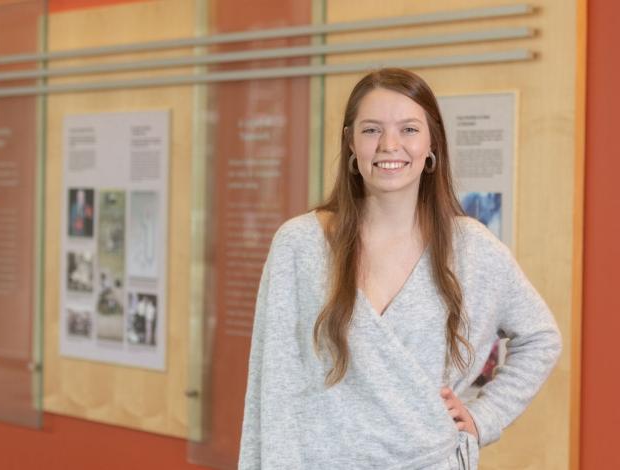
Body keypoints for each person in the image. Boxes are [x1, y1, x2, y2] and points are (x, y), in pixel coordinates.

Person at [238, 68, 561, 469]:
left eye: (409, 129)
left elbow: (541, 337)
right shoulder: (300, 244)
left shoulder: (471, 248)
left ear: (431, 145)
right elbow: (272, 387)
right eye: (372, 130)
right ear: (351, 144)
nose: (390, 145)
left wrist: (484, 416)